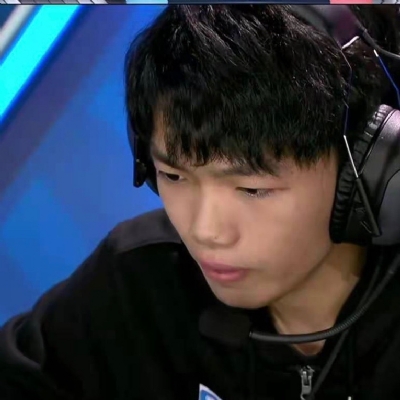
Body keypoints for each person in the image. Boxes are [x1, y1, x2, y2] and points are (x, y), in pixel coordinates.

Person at [1, 5, 400, 400]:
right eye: (174, 176)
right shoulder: (140, 279)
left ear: (361, 169)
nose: (205, 231)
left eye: (252, 189)